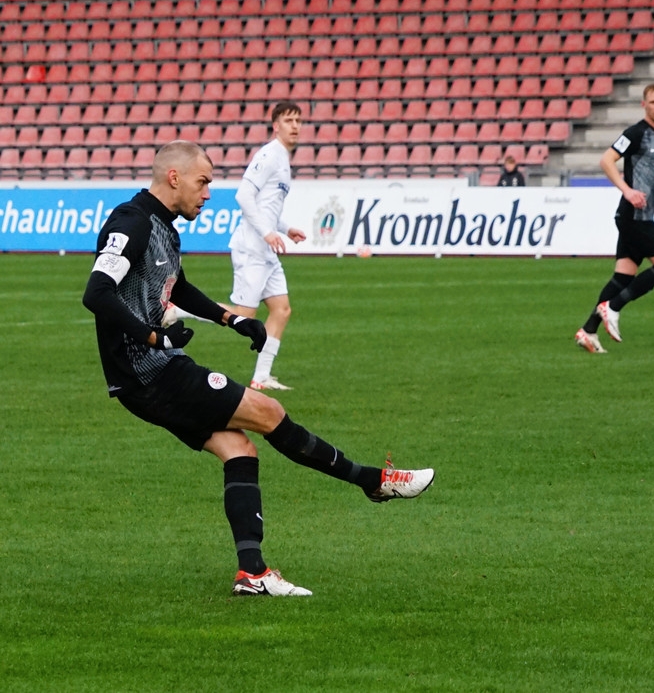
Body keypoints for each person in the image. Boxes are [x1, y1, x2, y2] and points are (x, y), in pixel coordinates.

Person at [82, 141, 434, 597]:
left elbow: (178, 287)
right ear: (174, 177)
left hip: (152, 371)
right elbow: (97, 292)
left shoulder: (164, 228)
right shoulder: (131, 223)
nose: (208, 193)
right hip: (147, 371)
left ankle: (252, 573)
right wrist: (155, 338)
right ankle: (373, 481)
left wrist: (233, 319)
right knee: (268, 411)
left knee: (240, 450)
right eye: (202, 182)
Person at [574, 82, 654, 354]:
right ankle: (613, 307)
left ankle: (588, 331)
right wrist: (627, 190)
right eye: (653, 102)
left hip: (639, 214)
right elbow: (606, 161)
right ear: (644, 105)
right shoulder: (635, 133)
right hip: (633, 215)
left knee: (623, 276)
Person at [228, 101, 308, 390]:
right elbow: (243, 195)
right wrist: (266, 233)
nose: (295, 126)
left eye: (298, 120)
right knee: (243, 315)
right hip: (252, 247)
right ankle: (177, 310)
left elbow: (267, 206)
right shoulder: (269, 155)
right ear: (276, 126)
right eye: (288, 120)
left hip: (266, 249)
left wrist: (285, 229)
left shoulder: (283, 158)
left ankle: (261, 377)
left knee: (282, 310)